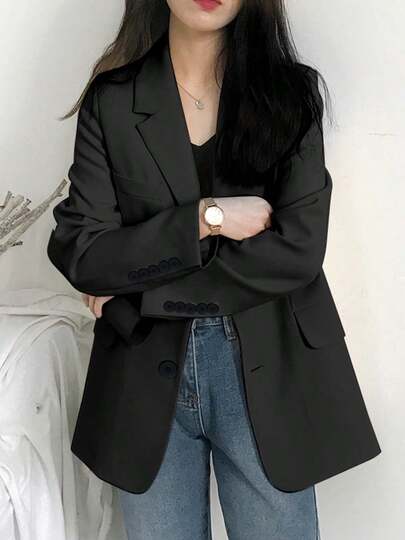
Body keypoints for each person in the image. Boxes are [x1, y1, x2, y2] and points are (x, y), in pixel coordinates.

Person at [47, 1, 382, 539]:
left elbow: (296, 253)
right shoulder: (112, 101)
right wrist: (207, 217)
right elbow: (83, 252)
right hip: (142, 374)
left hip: (269, 363)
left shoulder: (291, 96)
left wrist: (141, 289)